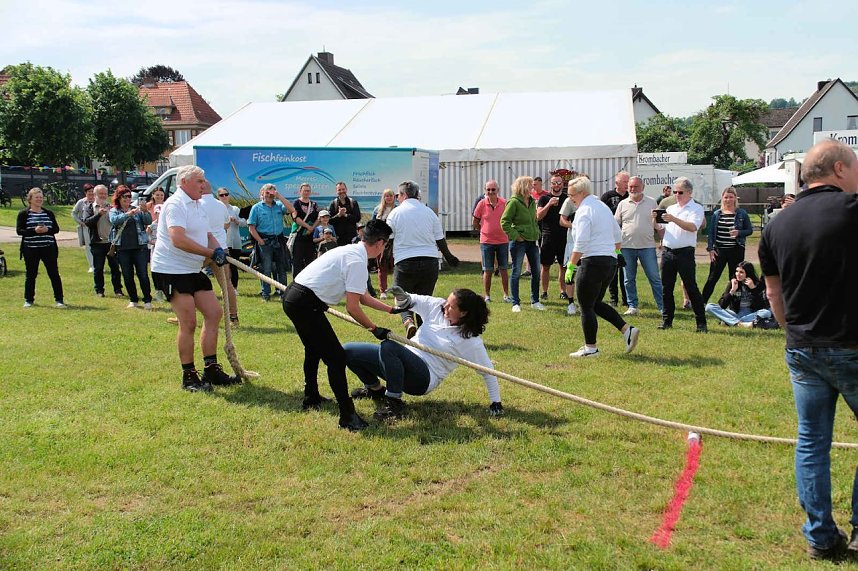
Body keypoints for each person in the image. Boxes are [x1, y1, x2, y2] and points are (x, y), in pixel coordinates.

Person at [758, 138, 858, 562]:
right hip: (852, 345)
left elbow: (773, 293)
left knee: (812, 441)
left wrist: (792, 332)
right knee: (812, 440)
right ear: (838, 169)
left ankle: (820, 534)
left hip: (803, 348)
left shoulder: (777, 224)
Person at [282, 218, 400, 431]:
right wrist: (374, 329)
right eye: (387, 244)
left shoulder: (351, 251)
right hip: (305, 303)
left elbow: (362, 296)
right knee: (336, 358)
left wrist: (390, 310)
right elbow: (353, 307)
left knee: (313, 349)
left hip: (295, 297)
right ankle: (347, 416)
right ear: (381, 243)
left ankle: (312, 397)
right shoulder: (356, 261)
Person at [345, 287, 503, 420]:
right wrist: (402, 298)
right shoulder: (437, 306)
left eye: (450, 307)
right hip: (403, 360)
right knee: (348, 351)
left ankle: (394, 403)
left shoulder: (470, 341)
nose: (444, 307)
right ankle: (375, 390)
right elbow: (409, 301)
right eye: (446, 302)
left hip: (423, 378)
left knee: (389, 347)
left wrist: (496, 403)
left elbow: (488, 372)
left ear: (463, 313)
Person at [151, 165, 237, 392]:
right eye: (199, 181)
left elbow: (208, 235)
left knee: (214, 312)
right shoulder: (176, 204)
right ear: (184, 183)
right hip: (170, 269)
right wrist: (210, 254)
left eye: (204, 180)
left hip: (191, 268)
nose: (204, 185)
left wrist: (220, 252)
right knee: (188, 321)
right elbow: (177, 239)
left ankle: (211, 369)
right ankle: (189, 376)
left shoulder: (198, 205)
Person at [564, 176, 638, 357]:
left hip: (592, 262)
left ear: (582, 193)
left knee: (585, 306)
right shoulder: (603, 207)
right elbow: (617, 235)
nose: (570, 198)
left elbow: (581, 242)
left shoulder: (584, 211)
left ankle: (591, 348)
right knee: (594, 303)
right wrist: (618, 254)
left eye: (572, 194)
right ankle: (627, 330)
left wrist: (571, 266)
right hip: (610, 262)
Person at [386, 180, 460, 338]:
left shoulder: (395, 214)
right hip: (430, 262)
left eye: (398, 195)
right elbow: (440, 240)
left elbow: (389, 240)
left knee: (401, 296)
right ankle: (424, 335)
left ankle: (408, 321)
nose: (397, 198)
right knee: (423, 300)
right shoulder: (429, 212)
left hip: (405, 262)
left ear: (404, 195)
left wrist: (385, 261)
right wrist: (449, 257)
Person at [655, 177, 707, 333]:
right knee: (666, 288)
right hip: (668, 251)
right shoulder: (671, 208)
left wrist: (674, 219)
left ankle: (701, 323)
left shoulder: (696, 208)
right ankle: (667, 321)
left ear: (689, 192)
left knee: (691, 287)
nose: (676, 195)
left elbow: (692, 227)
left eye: (680, 192)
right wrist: (654, 221)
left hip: (685, 252)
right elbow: (661, 228)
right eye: (675, 192)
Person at [614, 176, 663, 316]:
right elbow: (615, 223)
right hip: (627, 247)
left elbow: (659, 225)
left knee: (654, 277)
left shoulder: (652, 202)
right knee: (628, 279)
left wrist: (662, 240)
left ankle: (662, 306)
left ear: (642, 188)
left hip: (647, 246)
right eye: (630, 186)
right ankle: (632, 306)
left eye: (635, 186)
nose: (632, 189)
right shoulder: (623, 204)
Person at [700, 187, 754, 304]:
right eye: (726, 197)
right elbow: (711, 233)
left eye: (731, 197)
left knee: (734, 278)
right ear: (722, 198)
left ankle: (733, 304)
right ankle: (702, 303)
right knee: (712, 278)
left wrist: (739, 232)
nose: (728, 200)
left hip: (736, 249)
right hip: (719, 250)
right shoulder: (716, 214)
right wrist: (710, 249)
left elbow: (749, 230)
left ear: (735, 198)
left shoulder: (741, 213)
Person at [248, 183, 301, 300]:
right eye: (267, 192)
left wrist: (279, 196)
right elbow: (251, 227)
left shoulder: (279, 205)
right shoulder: (256, 208)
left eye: (272, 192)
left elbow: (292, 209)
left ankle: (283, 293)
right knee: (266, 268)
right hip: (265, 241)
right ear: (262, 194)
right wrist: (260, 241)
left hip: (279, 240)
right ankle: (265, 294)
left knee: (281, 268)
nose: (269, 195)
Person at [501, 176, 544, 313]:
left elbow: (534, 219)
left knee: (536, 271)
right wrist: (516, 236)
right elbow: (504, 222)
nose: (533, 187)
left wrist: (536, 231)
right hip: (519, 242)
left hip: (532, 241)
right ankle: (515, 302)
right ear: (524, 186)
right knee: (516, 272)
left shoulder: (532, 201)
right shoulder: (513, 202)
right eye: (531, 185)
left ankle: (535, 301)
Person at [16, 187, 65, 308]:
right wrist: (34, 231)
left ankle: (59, 300)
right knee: (31, 274)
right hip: (31, 248)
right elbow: (19, 231)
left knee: (54, 274)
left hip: (48, 248)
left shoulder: (48, 213)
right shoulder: (24, 214)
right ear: (30, 199)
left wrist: (47, 230)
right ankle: (29, 299)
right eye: (36, 197)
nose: (39, 199)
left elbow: (56, 229)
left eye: (41, 197)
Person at [200, 181, 238, 327]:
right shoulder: (220, 205)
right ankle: (233, 317)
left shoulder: (196, 204)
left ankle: (184, 315)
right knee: (227, 285)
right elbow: (227, 224)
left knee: (188, 280)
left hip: (202, 249)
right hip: (221, 248)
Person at [109, 185, 153, 310]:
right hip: (123, 248)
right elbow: (114, 220)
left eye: (129, 196)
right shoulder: (114, 210)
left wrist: (144, 211)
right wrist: (128, 214)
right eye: (125, 197)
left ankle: (147, 300)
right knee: (127, 275)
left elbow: (148, 221)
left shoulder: (136, 209)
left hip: (140, 247)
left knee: (143, 274)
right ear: (119, 198)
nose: (128, 199)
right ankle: (133, 299)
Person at [472, 179, 510, 303]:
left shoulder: (505, 203)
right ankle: (487, 296)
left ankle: (506, 295)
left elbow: (510, 220)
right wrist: (483, 231)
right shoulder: (481, 204)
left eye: (493, 189)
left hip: (502, 241)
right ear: (485, 191)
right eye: (488, 189)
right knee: (487, 269)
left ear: (498, 190)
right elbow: (475, 221)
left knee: (503, 268)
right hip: (486, 241)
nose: (490, 192)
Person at [84, 184, 124, 298]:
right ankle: (99, 291)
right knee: (98, 268)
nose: (103, 196)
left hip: (111, 243)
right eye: (100, 194)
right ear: (95, 195)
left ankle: (118, 290)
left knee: (115, 268)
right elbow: (87, 222)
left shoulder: (112, 208)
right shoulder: (89, 208)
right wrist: (98, 215)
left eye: (105, 194)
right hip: (97, 243)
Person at [704, 261, 771, 327]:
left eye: (741, 272)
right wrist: (732, 291)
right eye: (737, 271)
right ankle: (742, 324)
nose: (737, 274)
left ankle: (731, 322)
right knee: (709, 307)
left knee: (766, 312)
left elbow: (760, 307)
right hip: (735, 313)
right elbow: (722, 305)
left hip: (751, 313)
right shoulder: (733, 283)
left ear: (747, 273)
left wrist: (753, 289)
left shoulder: (756, 283)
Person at [536, 175, 569, 303]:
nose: (556, 185)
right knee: (546, 265)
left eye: (559, 183)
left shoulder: (567, 198)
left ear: (562, 184)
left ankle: (563, 291)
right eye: (554, 183)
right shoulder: (544, 198)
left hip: (564, 236)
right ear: (550, 184)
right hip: (548, 235)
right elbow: (538, 216)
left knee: (563, 265)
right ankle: (544, 292)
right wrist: (549, 204)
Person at [600, 171, 630, 307]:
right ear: (617, 183)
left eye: (628, 182)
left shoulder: (631, 196)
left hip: (627, 237)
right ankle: (613, 298)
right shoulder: (607, 197)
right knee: (613, 268)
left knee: (625, 269)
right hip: (611, 237)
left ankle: (626, 299)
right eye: (625, 182)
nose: (627, 184)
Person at [217, 187, 247, 291]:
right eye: (222, 195)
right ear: (218, 197)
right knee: (223, 267)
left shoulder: (235, 209)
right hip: (222, 242)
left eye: (226, 194)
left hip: (235, 242)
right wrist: (225, 221)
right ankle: (224, 288)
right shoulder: (217, 209)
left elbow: (245, 222)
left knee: (234, 266)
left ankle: (234, 287)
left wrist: (237, 221)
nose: (224, 197)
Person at [290, 183, 321, 277]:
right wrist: (307, 227)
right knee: (297, 261)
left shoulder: (314, 204)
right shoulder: (296, 203)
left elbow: (318, 217)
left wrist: (312, 228)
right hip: (299, 235)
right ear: (300, 191)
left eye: (308, 190)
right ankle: (295, 283)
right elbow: (296, 218)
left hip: (310, 237)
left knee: (310, 261)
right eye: (305, 190)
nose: (306, 192)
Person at [371, 188, 397, 297]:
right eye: (387, 196)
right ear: (384, 197)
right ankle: (383, 291)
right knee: (382, 265)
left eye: (391, 195)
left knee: (397, 265)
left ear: (394, 197)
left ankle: (397, 291)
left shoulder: (398, 209)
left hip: (396, 240)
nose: (389, 198)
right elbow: (372, 225)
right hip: (382, 241)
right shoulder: (378, 209)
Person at [328, 181, 361, 246]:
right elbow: (329, 221)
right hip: (338, 238)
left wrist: (346, 215)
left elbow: (357, 218)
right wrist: (339, 215)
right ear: (336, 191)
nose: (341, 191)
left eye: (343, 189)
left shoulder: (353, 202)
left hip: (352, 238)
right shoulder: (333, 203)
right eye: (339, 190)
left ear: (346, 189)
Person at [71, 183, 95, 272]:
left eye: (93, 191)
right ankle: (92, 265)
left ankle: (99, 265)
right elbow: (73, 213)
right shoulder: (81, 202)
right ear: (85, 192)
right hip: (86, 227)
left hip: (97, 227)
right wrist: (80, 222)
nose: (91, 193)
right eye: (89, 192)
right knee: (89, 246)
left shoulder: (97, 201)